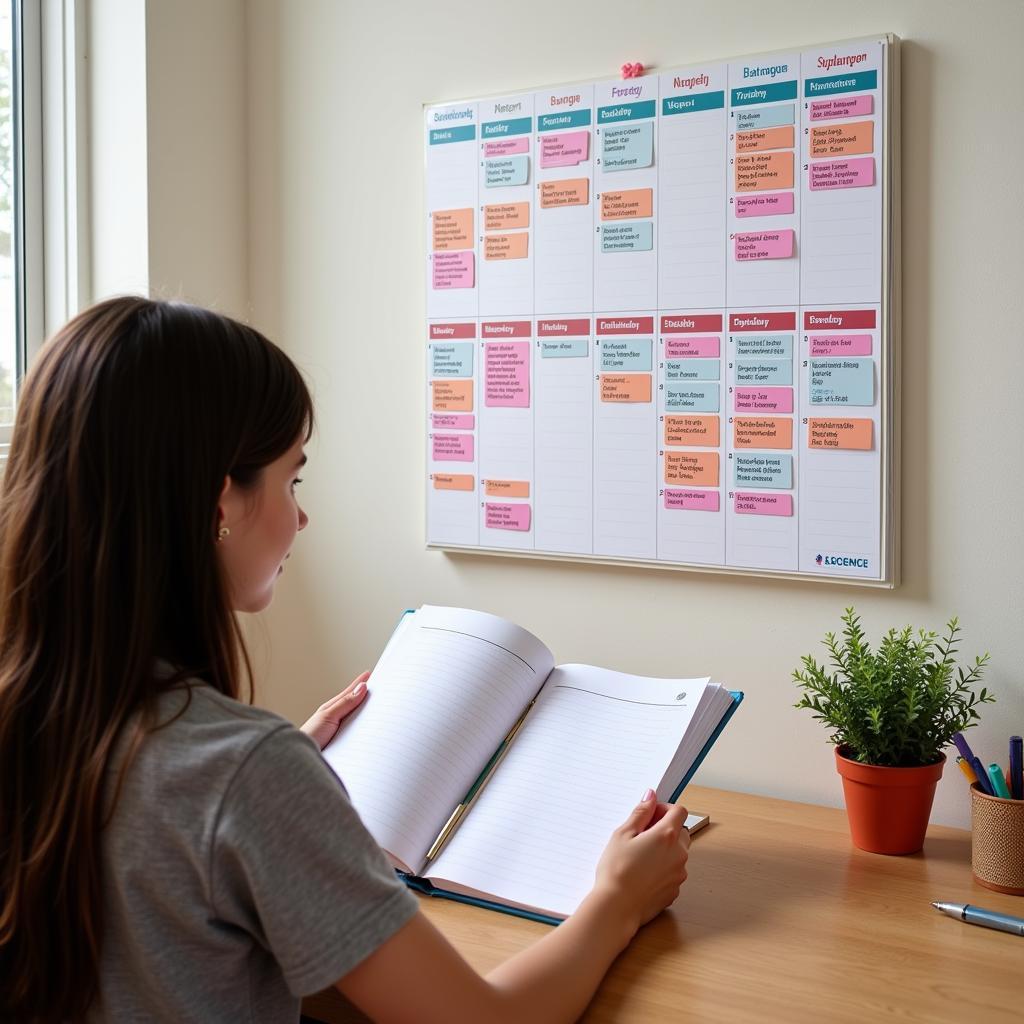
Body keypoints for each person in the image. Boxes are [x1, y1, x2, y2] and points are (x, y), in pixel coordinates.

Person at [0, 297, 690, 1024]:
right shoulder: (244, 775)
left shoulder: (37, 716)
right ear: (218, 507)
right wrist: (617, 899)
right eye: (291, 478)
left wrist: (260, 779)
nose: (301, 517)